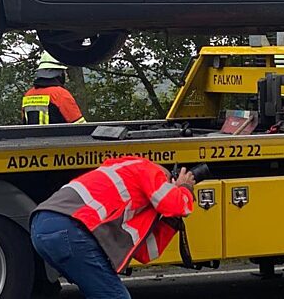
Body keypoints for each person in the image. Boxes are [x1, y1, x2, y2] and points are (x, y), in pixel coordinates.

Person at [30, 157, 196, 298]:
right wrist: (184, 188)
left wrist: (171, 221)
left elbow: (145, 252)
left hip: (42, 227)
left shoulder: (127, 184)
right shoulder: (147, 168)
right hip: (70, 228)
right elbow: (176, 205)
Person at [21, 52, 86, 124]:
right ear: (60, 73)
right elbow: (80, 125)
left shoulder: (28, 95)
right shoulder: (60, 94)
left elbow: (25, 122)